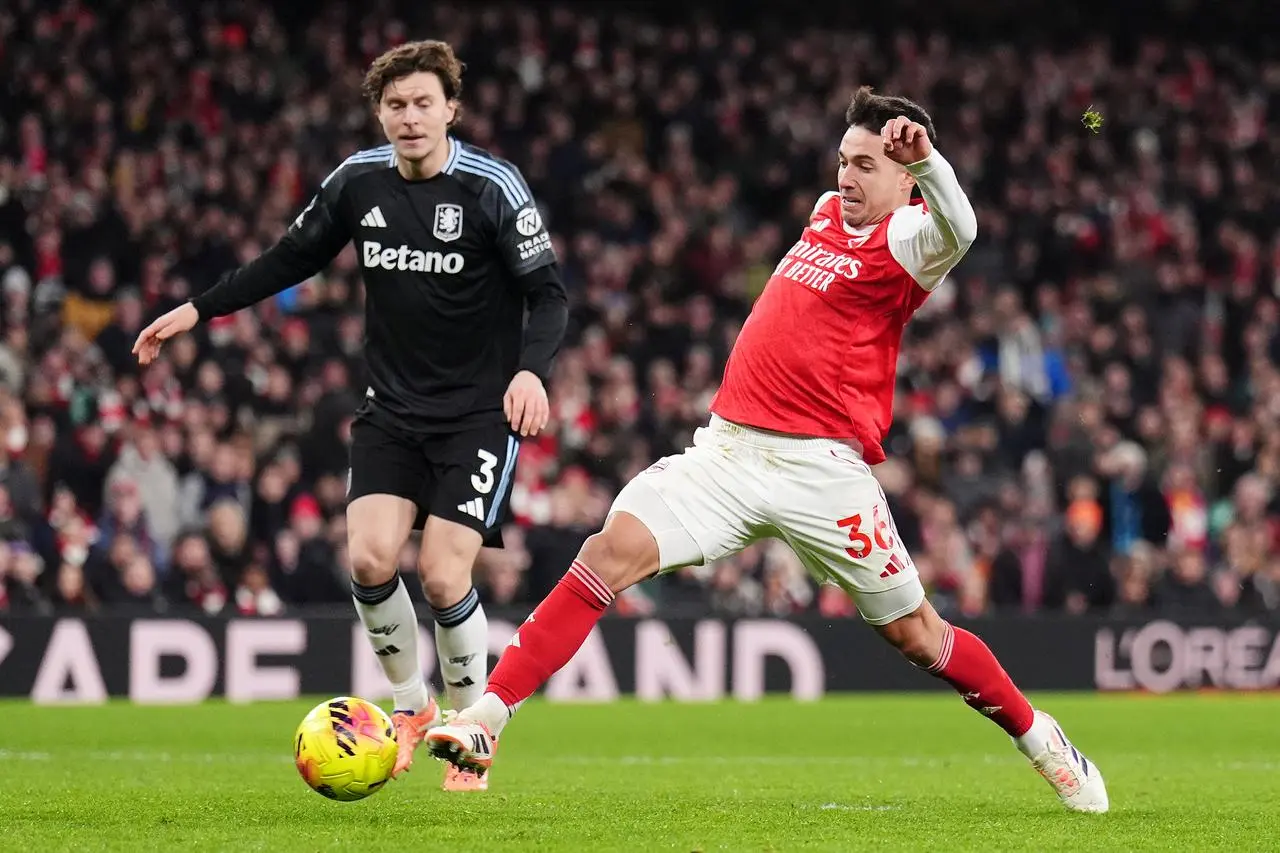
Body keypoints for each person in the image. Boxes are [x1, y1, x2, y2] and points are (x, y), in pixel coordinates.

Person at [426, 87, 1108, 813]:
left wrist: (929, 163)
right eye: (844, 160)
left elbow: (961, 228)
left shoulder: (911, 239)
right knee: (606, 553)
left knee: (918, 634)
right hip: (727, 453)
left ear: (906, 177)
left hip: (822, 472)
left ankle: (1041, 739)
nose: (847, 176)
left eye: (867, 165)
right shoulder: (826, 211)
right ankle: (488, 719)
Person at [132, 40, 568, 792]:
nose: (410, 117)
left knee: (442, 575)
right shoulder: (357, 182)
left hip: (476, 416)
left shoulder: (493, 186)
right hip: (392, 410)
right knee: (367, 559)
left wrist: (531, 370)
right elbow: (287, 259)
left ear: (451, 109)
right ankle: (411, 706)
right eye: (396, 105)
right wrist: (199, 309)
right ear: (379, 114)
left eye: (423, 103)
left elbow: (549, 293)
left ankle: (471, 733)